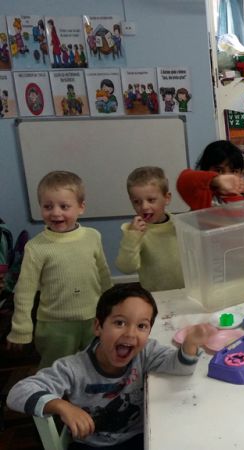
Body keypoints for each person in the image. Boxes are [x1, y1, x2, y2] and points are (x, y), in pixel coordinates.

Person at [6, 283, 215, 450]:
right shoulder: (73, 368)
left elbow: (178, 367)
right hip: (91, 445)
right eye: (119, 323)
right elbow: (18, 392)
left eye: (141, 326)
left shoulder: (145, 352)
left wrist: (190, 344)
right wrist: (62, 406)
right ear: (98, 326)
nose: (130, 333)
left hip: (138, 438)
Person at [6, 171, 113, 368]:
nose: (55, 213)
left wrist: (113, 305)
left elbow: (103, 273)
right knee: (55, 369)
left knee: (95, 364)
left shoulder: (93, 236)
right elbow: (24, 291)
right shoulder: (36, 247)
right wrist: (21, 327)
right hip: (55, 326)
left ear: (81, 207)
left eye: (64, 206)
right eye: (48, 206)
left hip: (93, 318)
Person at [115, 166, 184, 292]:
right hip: (156, 296)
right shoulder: (135, 232)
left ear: (167, 198)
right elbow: (126, 268)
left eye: (151, 200)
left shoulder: (181, 224)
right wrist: (132, 236)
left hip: (188, 292)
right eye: (137, 202)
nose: (144, 207)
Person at [176, 140, 244, 210]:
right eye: (219, 170)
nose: (227, 176)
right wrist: (216, 180)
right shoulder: (203, 196)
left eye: (233, 171)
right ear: (205, 169)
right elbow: (183, 180)